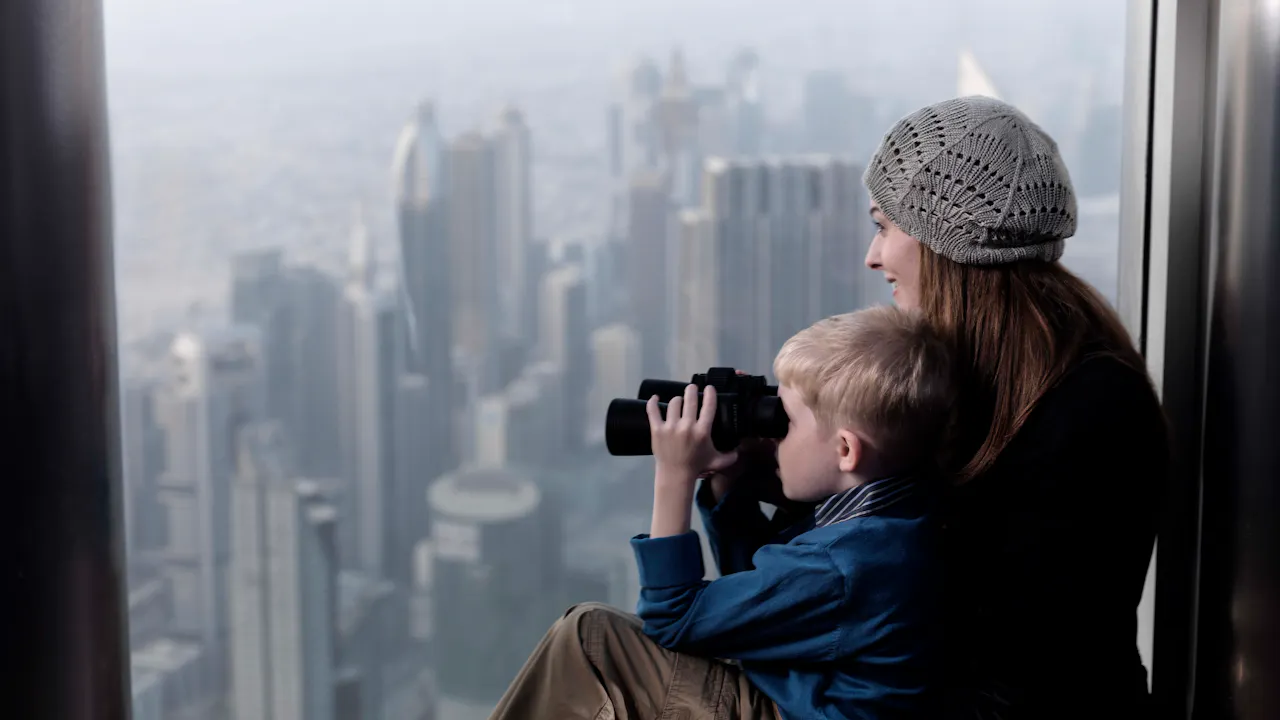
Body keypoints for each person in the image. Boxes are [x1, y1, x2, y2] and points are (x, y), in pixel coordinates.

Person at [488, 305, 956, 719]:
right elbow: (761, 601)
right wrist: (730, 482)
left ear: (845, 449)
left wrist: (673, 474)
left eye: (784, 421)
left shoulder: (843, 563)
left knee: (592, 637)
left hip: (787, 710)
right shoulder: (894, 516)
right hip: (799, 697)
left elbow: (673, 618)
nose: (771, 435)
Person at [860, 95, 1169, 718]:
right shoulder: (1017, 378)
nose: (873, 256)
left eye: (884, 226)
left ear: (944, 239)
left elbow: (1031, 658)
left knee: (601, 642)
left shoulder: (1090, 409)